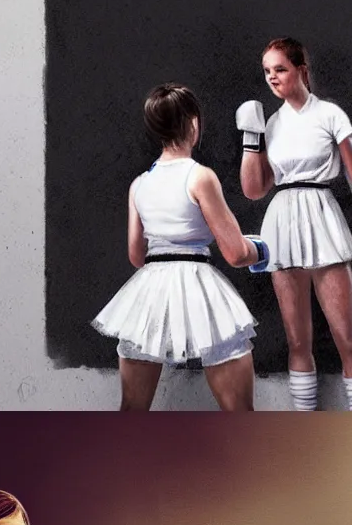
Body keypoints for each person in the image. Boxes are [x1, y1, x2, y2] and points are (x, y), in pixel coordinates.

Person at [91, 82, 264, 411]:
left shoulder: (139, 184)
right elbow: (236, 253)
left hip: (149, 294)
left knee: (132, 411)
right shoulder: (200, 177)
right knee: (240, 416)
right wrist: (262, 251)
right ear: (193, 122)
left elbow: (136, 256)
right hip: (201, 289)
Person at [237, 38, 352, 409]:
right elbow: (254, 190)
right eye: (267, 71)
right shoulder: (271, 122)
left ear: (302, 69)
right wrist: (252, 139)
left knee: (347, 336)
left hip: (321, 216)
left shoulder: (329, 114)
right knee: (297, 340)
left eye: (280, 69)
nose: (272, 77)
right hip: (283, 221)